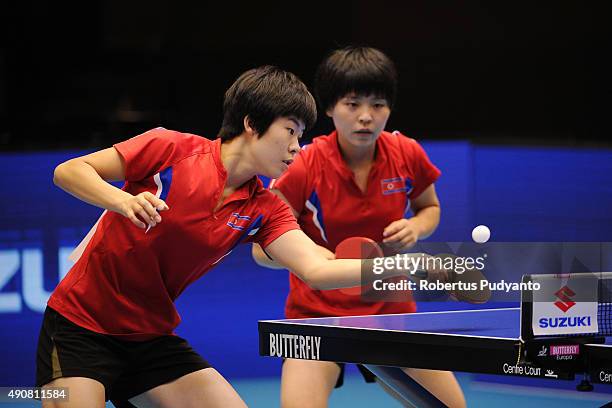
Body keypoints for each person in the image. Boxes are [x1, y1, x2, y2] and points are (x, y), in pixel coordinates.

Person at [37, 66, 417, 408]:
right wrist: (122, 200)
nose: (296, 148)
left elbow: (316, 268)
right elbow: (69, 171)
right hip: (80, 329)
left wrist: (407, 266)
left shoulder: (265, 208)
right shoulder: (171, 149)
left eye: (300, 136)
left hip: (149, 339)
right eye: (290, 131)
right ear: (252, 124)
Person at [252, 47, 466, 407]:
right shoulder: (303, 165)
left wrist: (416, 227)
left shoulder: (407, 152)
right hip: (316, 314)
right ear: (330, 107)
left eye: (378, 104)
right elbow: (262, 249)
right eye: (353, 104)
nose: (366, 117)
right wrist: (309, 259)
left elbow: (429, 208)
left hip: (390, 310)